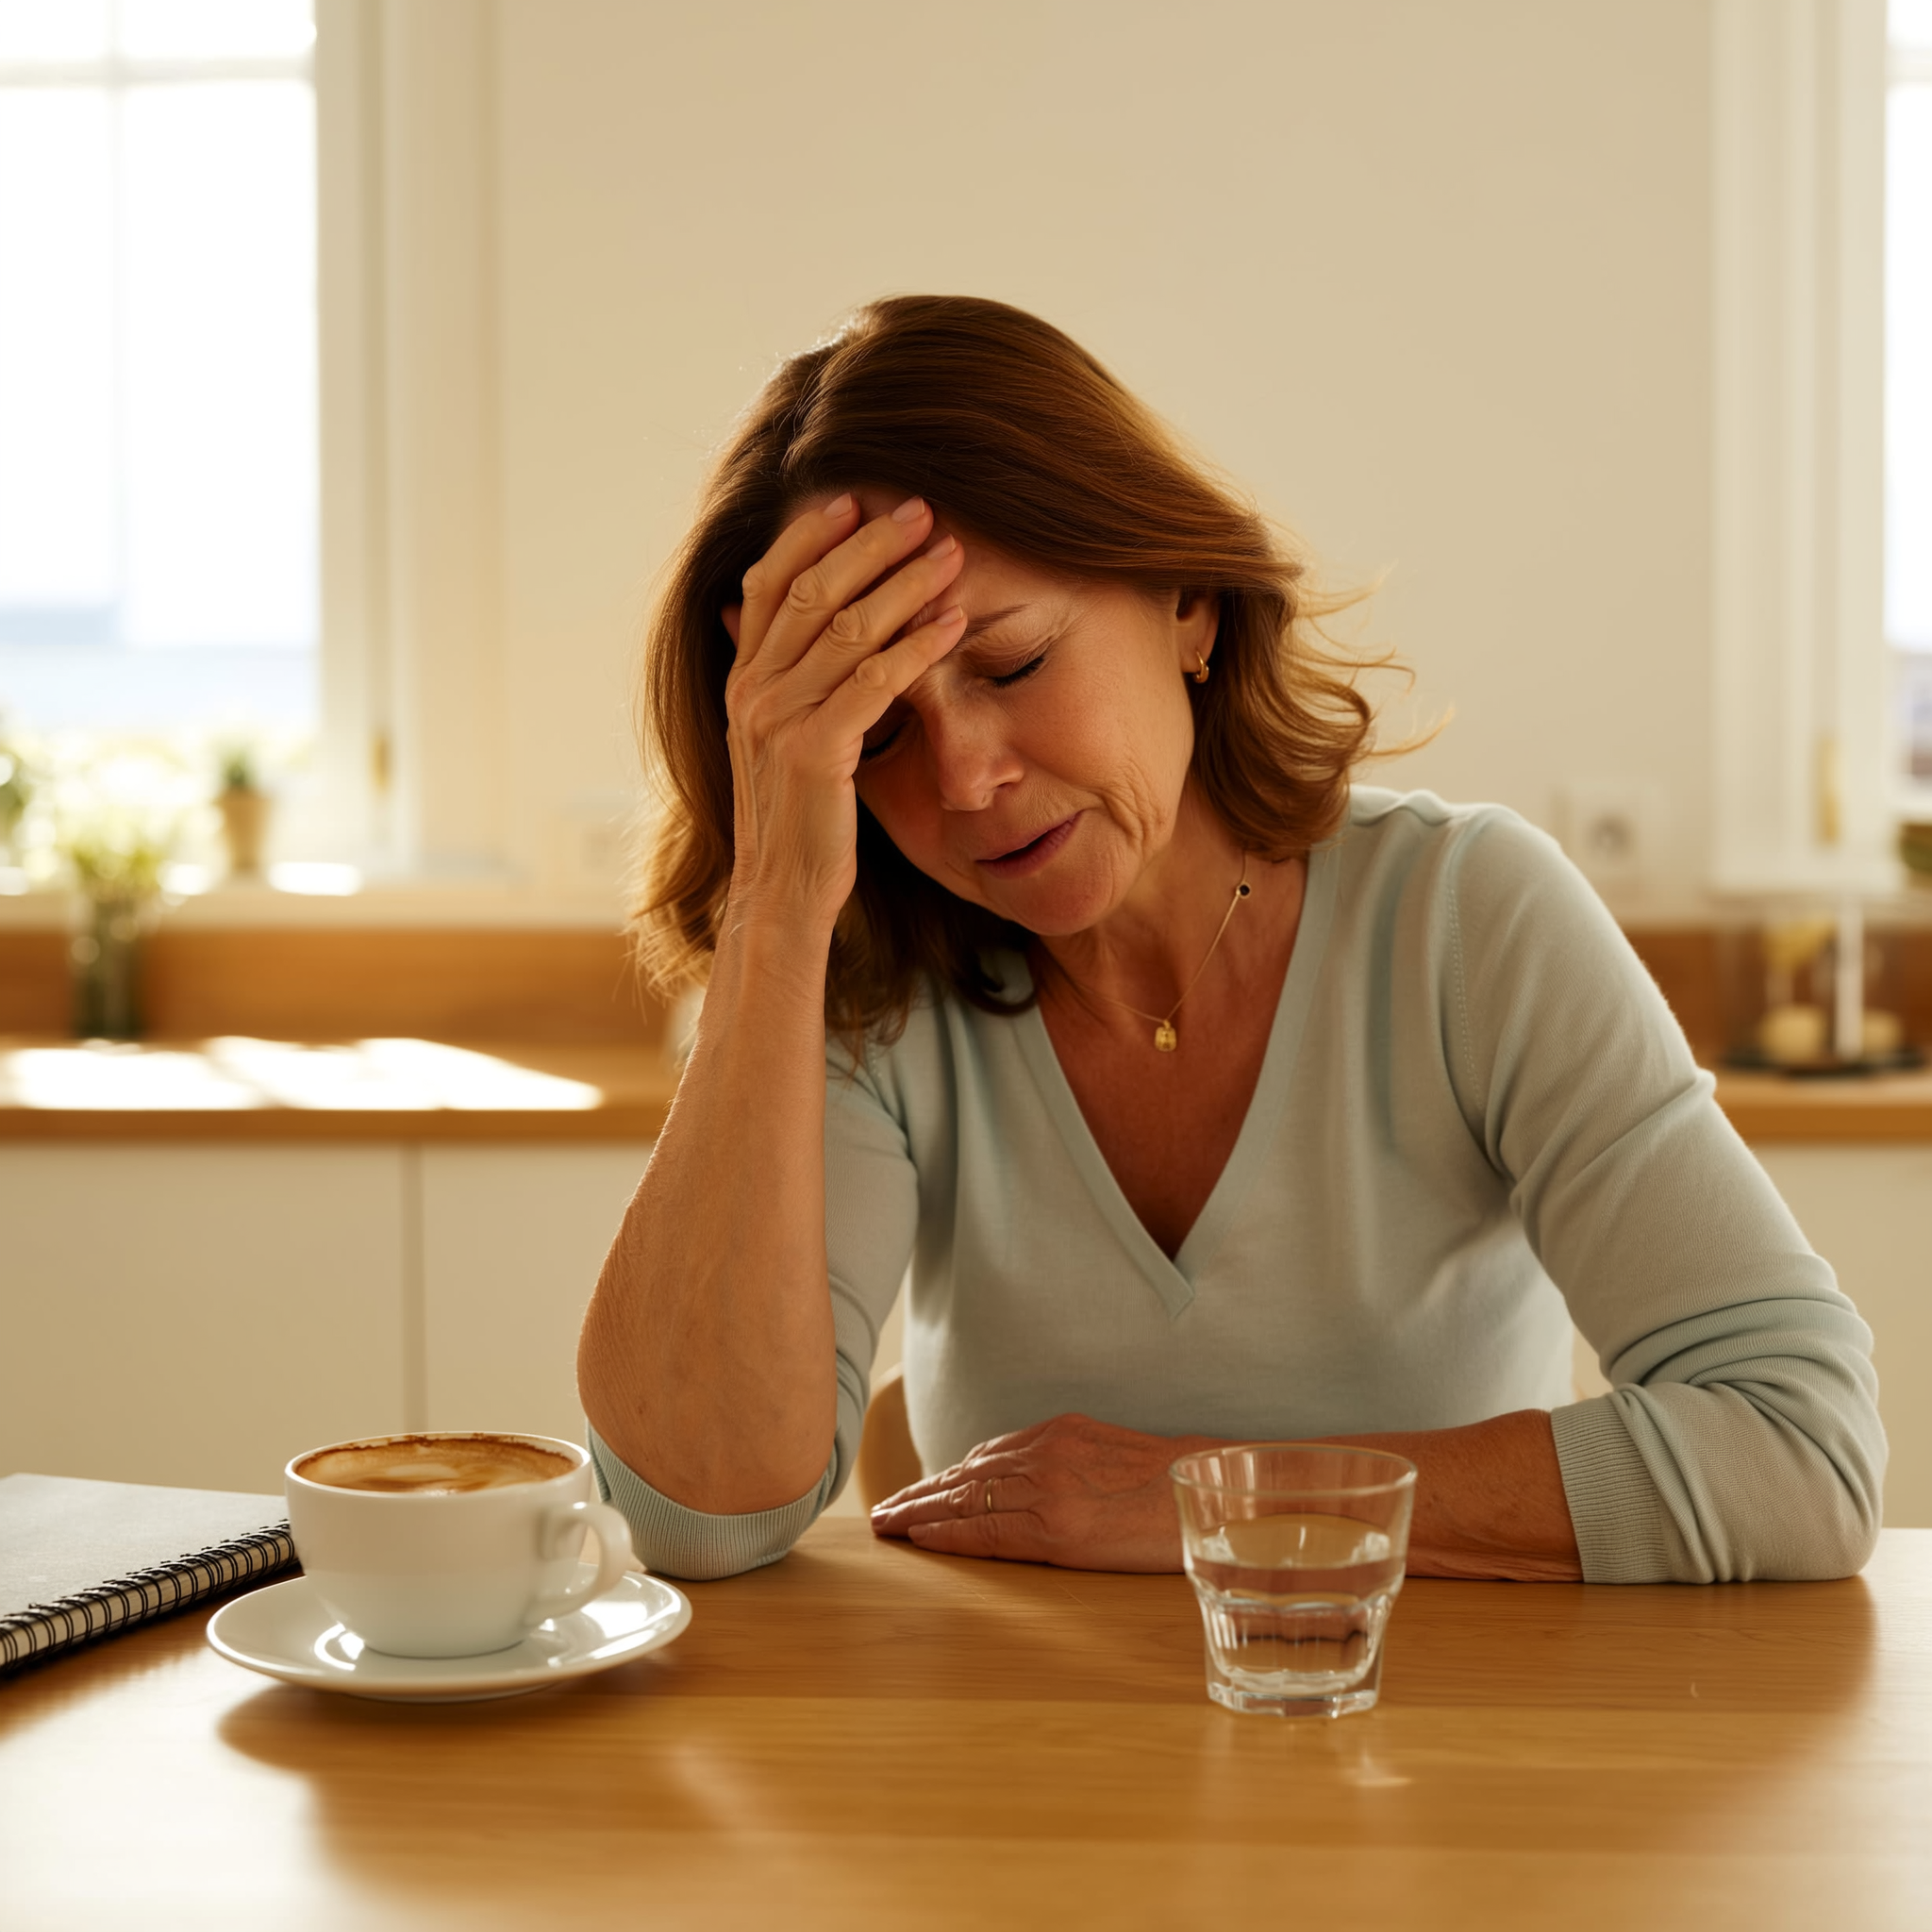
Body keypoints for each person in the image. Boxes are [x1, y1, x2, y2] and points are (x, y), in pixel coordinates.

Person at [577, 294, 1884, 1586]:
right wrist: (775, 909)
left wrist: (1211, 1499)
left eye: (1016, 664)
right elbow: (700, 1518)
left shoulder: (1463, 917)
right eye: (874, 734)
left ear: (1186, 603)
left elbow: (1799, 1448)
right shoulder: (867, 987)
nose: (966, 779)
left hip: (1434, 1758)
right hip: (1019, 1771)